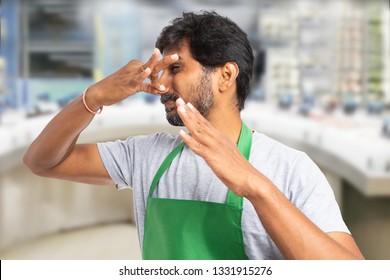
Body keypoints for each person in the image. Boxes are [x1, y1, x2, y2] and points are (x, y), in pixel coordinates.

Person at [23, 11, 364, 260]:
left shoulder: (290, 167)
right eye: (160, 71)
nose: (160, 85)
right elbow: (42, 161)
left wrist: (256, 187)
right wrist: (94, 98)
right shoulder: (147, 155)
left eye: (175, 69)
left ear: (225, 75)